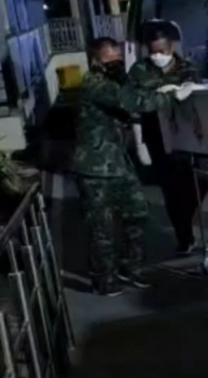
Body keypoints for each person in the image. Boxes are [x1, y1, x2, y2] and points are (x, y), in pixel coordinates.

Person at [72, 37, 196, 296]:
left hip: (118, 162)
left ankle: (131, 267)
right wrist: (170, 96)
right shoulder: (94, 84)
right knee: (101, 226)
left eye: (119, 58)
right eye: (110, 59)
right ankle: (104, 279)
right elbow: (131, 102)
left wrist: (163, 89)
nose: (117, 63)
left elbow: (134, 96)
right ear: (96, 61)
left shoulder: (114, 82)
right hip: (95, 167)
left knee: (137, 212)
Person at [128, 24, 208, 256]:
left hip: (188, 137)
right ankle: (184, 238)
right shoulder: (139, 71)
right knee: (171, 190)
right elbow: (133, 104)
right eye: (153, 52)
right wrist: (139, 142)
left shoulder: (187, 68)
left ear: (171, 47)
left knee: (199, 184)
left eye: (161, 51)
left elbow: (200, 98)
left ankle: (186, 218)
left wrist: (192, 88)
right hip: (157, 138)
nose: (157, 56)